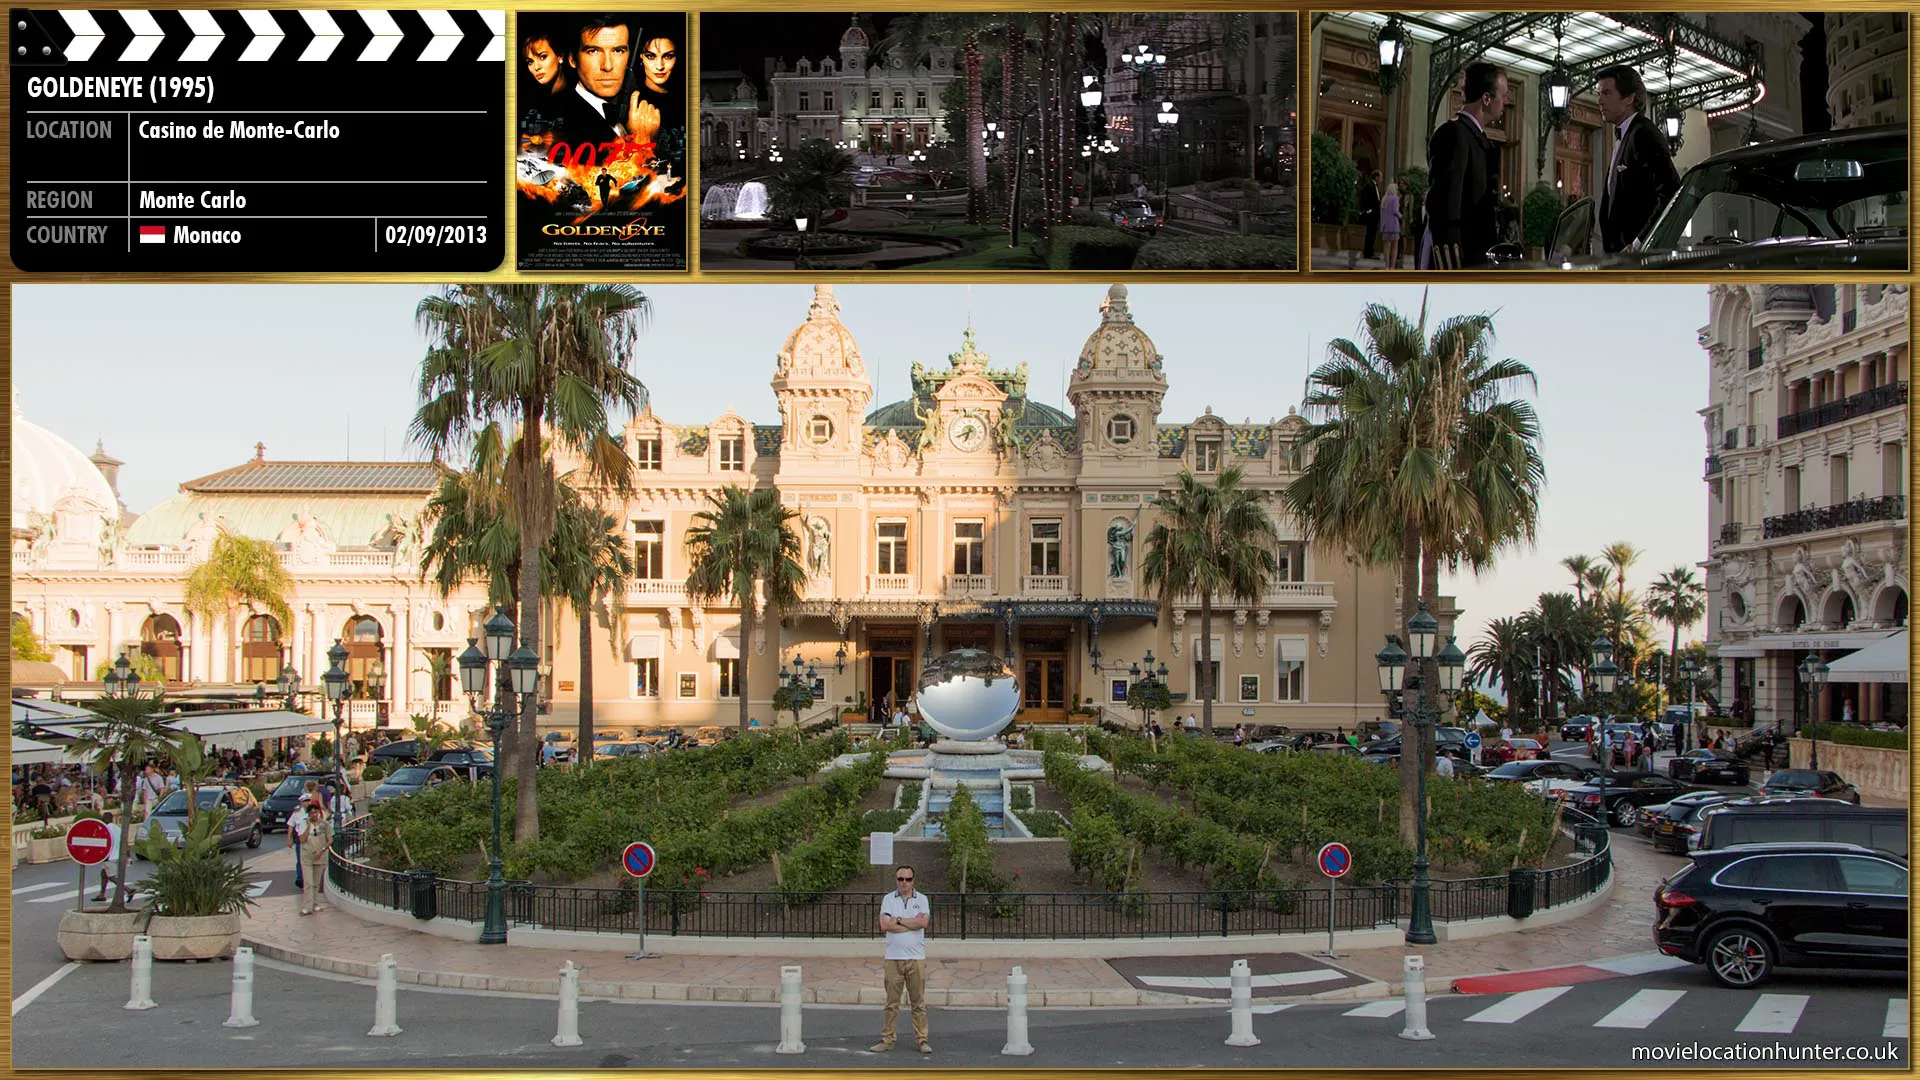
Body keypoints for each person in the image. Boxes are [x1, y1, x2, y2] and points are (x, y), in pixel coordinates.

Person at [1423, 62, 1507, 269]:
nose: (1505, 102)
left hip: (1476, 255)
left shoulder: (1477, 138)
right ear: (1486, 99)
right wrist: (1451, 262)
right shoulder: (1454, 134)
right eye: (1503, 96)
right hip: (1460, 260)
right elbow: (1445, 204)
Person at [1593, 65, 1679, 255]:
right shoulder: (1625, 135)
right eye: (1598, 93)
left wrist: (1640, 243)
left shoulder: (1644, 134)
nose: (1599, 100)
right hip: (1619, 259)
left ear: (1629, 98)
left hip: (1638, 260)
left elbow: (1670, 191)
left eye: (1607, 93)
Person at [547, 15, 661, 148]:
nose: (607, 66)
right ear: (572, 59)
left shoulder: (636, 110)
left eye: (618, 51)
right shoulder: (559, 122)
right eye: (593, 51)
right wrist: (641, 143)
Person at [872, 864, 932, 1054]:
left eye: (908, 879)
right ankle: (887, 1039)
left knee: (918, 1003)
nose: (904, 883)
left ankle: (922, 1039)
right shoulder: (888, 899)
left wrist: (897, 920)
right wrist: (909, 922)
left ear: (913, 881)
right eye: (900, 879)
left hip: (915, 958)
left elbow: (923, 922)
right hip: (893, 958)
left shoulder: (922, 899)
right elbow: (884, 925)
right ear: (896, 880)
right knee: (891, 1003)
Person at [292, 802, 332, 915]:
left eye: (315, 812)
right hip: (307, 857)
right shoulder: (303, 824)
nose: (314, 815)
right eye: (311, 813)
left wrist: (322, 849)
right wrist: (308, 826)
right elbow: (302, 839)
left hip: (320, 856)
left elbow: (330, 839)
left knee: (315, 882)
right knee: (308, 882)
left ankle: (315, 904)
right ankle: (307, 906)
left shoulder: (325, 824)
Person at [1357, 170, 1382, 260]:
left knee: (1372, 234)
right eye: (1380, 177)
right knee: (1370, 234)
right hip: (1371, 214)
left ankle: (1370, 252)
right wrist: (1369, 210)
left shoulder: (1376, 186)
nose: (1381, 179)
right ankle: (1368, 253)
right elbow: (1364, 198)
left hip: (1375, 215)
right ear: (1376, 177)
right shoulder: (1369, 186)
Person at [1379, 180, 1403, 269]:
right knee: (1394, 247)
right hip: (1394, 226)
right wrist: (1401, 216)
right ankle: (1392, 266)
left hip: (1385, 226)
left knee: (1386, 248)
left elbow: (1382, 215)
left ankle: (1386, 266)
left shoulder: (1384, 200)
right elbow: (1395, 211)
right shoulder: (1395, 198)